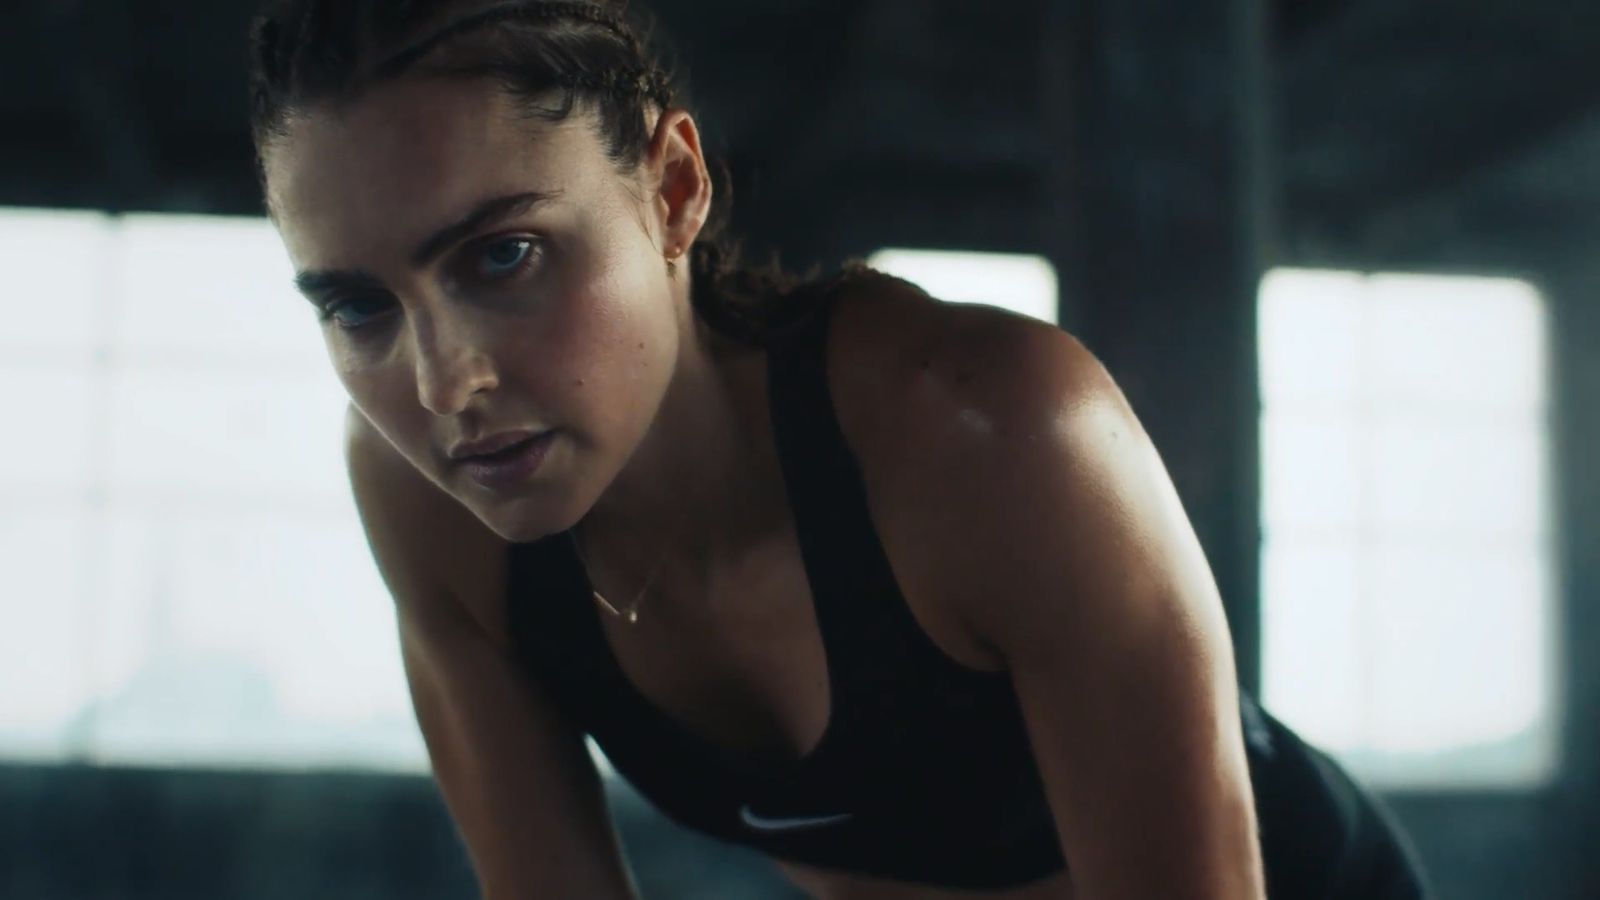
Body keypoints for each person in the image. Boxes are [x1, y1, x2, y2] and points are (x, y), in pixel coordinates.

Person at [247, 1, 1429, 897]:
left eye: (503, 256)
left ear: (670, 189)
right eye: (359, 307)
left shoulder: (985, 428)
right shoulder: (426, 502)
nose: (445, 382)